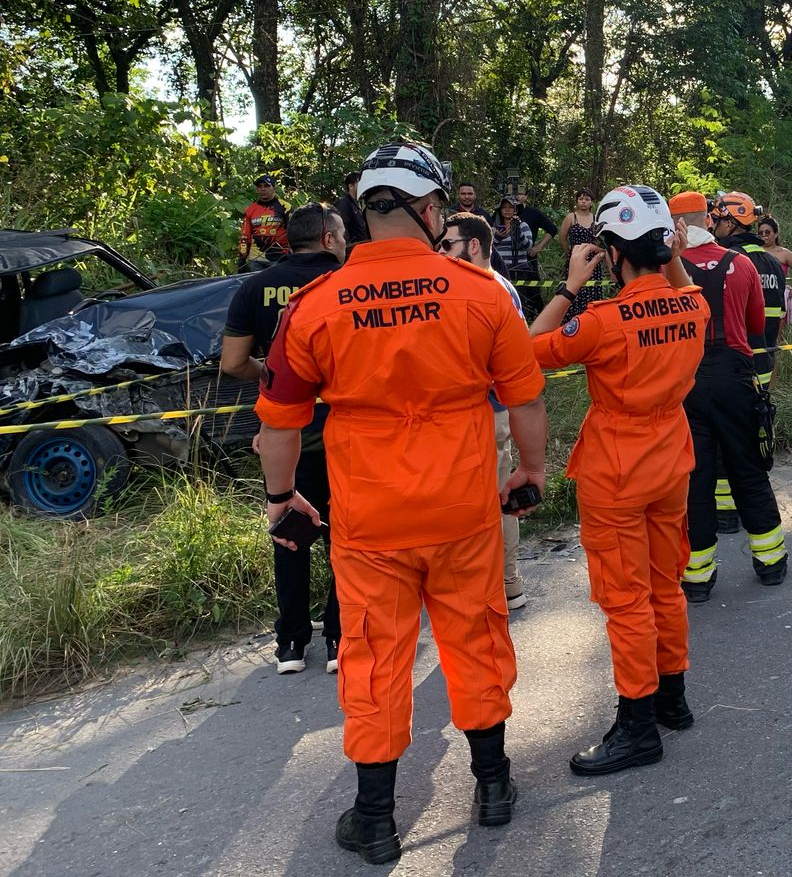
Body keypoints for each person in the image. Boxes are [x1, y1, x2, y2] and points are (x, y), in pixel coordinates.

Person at [254, 140, 550, 864]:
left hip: (371, 518)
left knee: (374, 655)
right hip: (464, 507)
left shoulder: (314, 306)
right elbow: (526, 398)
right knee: (476, 639)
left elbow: (278, 426)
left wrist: (280, 501)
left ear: (363, 212)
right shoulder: (480, 291)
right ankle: (494, 787)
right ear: (426, 208)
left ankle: (376, 817)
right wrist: (530, 473)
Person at [527, 185, 709, 776]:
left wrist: (569, 284)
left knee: (626, 600)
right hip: (671, 461)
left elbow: (529, 350)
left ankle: (636, 726)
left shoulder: (601, 322)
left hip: (616, 470)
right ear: (664, 246)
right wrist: (672, 255)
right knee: (666, 585)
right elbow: (685, 290)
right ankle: (673, 701)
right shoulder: (692, 306)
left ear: (609, 251)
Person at [221, 203, 347, 676]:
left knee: (289, 531)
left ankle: (291, 643)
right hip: (343, 433)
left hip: (281, 433)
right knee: (346, 536)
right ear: (330, 239)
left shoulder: (253, 287)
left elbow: (232, 363)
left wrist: (279, 378)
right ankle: (338, 637)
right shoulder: (346, 287)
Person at [674, 191, 787, 596]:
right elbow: (758, 323)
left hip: (686, 382)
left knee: (696, 478)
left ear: (677, 226)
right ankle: (771, 563)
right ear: (710, 219)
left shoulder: (668, 268)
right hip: (737, 378)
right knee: (749, 470)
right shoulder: (740, 264)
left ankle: (698, 577)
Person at [440, 211, 533, 613]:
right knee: (497, 502)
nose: (439, 251)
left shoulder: (484, 289)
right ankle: (506, 583)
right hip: (487, 413)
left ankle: (493, 587)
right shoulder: (501, 288)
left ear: (473, 245)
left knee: (485, 504)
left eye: (447, 244)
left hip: (486, 412)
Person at [710, 192, 785, 386]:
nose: (712, 224)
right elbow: (778, 316)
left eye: (716, 219)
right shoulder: (773, 263)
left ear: (728, 223)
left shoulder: (729, 261)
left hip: (736, 368)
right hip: (764, 367)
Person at [756, 215, 792, 333]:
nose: (764, 235)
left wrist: (791, 292)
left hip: (777, 301)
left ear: (776, 233)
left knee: (776, 337)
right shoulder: (754, 251)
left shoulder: (784, 253)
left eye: (768, 232)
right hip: (757, 299)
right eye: (761, 233)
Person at [558, 189, 605, 320]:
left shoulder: (596, 219)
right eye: (581, 199)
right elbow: (562, 238)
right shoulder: (570, 217)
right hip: (575, 259)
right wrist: (569, 252)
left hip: (592, 261)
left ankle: (592, 319)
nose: (584, 202)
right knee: (573, 289)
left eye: (587, 199)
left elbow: (599, 239)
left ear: (591, 203)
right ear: (577, 201)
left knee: (592, 291)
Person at [513, 193, 560, 314]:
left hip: (528, 259)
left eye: (521, 193)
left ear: (526, 196)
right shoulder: (502, 212)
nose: (517, 197)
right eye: (514, 193)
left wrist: (538, 247)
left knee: (533, 292)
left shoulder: (533, 213)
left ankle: (536, 316)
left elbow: (552, 229)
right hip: (507, 259)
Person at [237, 175, 290, 271]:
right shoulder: (250, 210)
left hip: (280, 257)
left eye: (266, 186)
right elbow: (245, 236)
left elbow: (293, 233)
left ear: (274, 188)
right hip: (255, 260)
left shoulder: (285, 207)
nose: (263, 189)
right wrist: (242, 257)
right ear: (256, 190)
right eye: (260, 186)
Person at [491, 196, 536, 293]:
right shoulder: (495, 228)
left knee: (519, 297)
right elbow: (489, 248)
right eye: (504, 207)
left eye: (510, 207)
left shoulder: (523, 225)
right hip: (500, 269)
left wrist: (519, 233)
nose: (507, 210)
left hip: (520, 269)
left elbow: (528, 246)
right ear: (500, 210)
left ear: (515, 210)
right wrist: (498, 237)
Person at [332, 171, 370, 247]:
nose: (363, 186)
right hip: (351, 250)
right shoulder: (343, 203)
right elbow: (342, 228)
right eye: (359, 183)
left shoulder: (356, 203)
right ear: (351, 186)